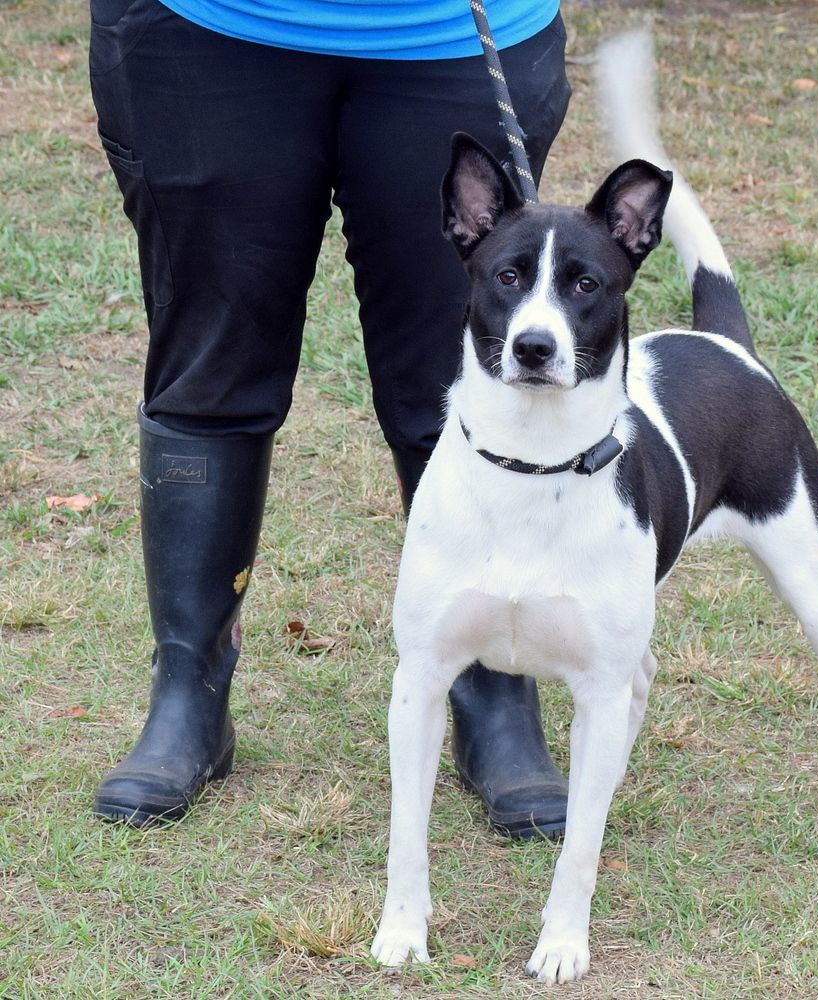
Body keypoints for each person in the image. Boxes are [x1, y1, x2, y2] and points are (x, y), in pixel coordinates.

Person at [89, 0, 572, 838]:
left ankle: (495, 693)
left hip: (453, 33)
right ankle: (187, 693)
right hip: (211, 28)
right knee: (210, 370)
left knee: (463, 386)